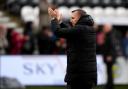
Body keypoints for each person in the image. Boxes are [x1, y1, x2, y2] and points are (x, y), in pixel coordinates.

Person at [48, 7, 97, 89]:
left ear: (80, 18)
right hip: (85, 75)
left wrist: (54, 19)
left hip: (79, 76)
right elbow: (70, 31)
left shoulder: (80, 29)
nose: (71, 20)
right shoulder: (87, 28)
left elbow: (58, 32)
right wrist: (60, 22)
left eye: (73, 18)